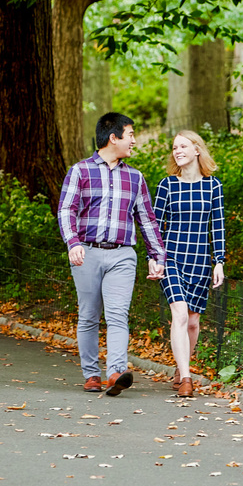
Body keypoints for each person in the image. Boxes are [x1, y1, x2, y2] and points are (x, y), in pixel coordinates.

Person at [58, 112, 165, 396]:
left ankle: (116, 371)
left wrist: (157, 256)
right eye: (130, 135)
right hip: (88, 253)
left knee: (118, 315)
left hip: (122, 255)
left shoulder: (136, 177)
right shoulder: (80, 171)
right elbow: (66, 209)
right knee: (89, 315)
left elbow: (147, 220)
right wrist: (73, 242)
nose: (134, 141)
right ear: (113, 137)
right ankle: (91, 373)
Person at [153, 130, 226, 398]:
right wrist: (154, 258)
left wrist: (219, 261)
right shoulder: (167, 185)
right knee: (180, 315)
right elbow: (155, 227)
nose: (177, 151)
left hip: (199, 260)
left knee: (193, 323)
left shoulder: (213, 186)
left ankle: (181, 367)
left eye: (183, 146)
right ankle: (186, 378)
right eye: (174, 147)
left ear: (197, 150)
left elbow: (217, 227)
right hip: (171, 257)